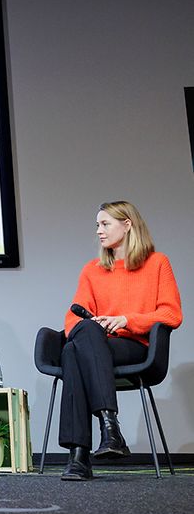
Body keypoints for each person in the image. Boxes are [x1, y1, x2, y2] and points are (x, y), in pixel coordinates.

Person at [58, 201, 182, 481]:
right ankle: (109, 428)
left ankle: (78, 456)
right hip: (97, 344)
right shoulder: (92, 269)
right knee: (79, 339)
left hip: (134, 347)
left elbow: (171, 313)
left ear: (127, 225)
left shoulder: (157, 263)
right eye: (97, 225)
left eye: (105, 224)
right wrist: (97, 325)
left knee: (72, 351)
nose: (99, 231)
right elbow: (71, 319)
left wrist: (126, 320)